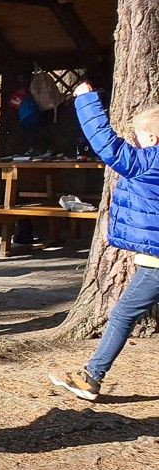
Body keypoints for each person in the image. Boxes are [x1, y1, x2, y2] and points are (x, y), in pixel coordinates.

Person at [50, 82, 159, 401]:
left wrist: (85, 99)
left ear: (152, 139)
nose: (136, 143)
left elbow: (105, 143)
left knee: (123, 314)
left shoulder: (148, 161)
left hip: (156, 265)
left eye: (138, 138)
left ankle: (91, 378)